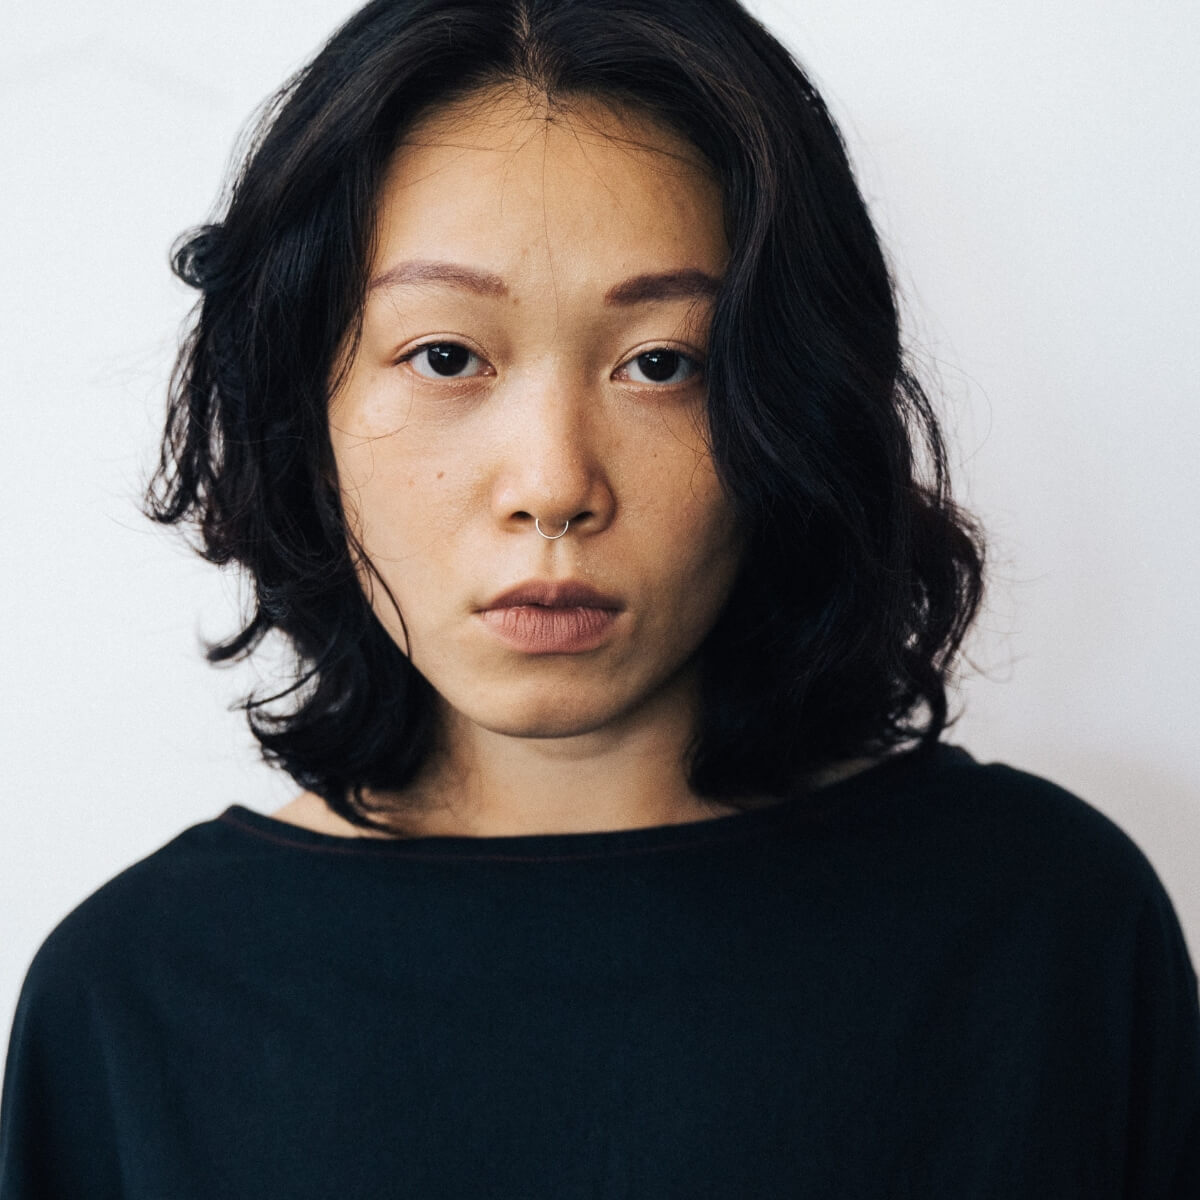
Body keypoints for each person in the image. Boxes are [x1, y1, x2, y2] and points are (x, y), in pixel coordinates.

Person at [2, 0, 1197, 1194]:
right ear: (303, 412)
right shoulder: (132, 1000)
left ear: (791, 408)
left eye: (661, 364)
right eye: (445, 356)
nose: (554, 486)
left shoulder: (1047, 928)